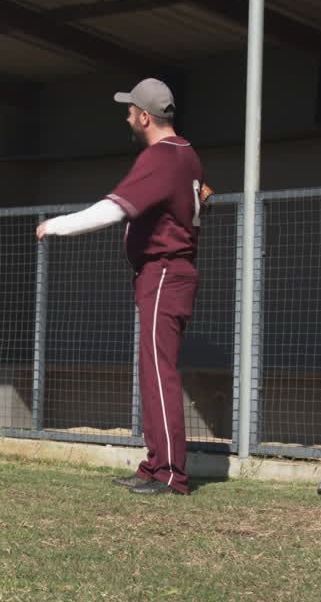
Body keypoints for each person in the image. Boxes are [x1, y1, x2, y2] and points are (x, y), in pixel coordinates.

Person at [36, 79, 207, 495]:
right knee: (152, 371)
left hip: (164, 272)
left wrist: (55, 225)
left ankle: (170, 474)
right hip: (167, 273)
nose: (127, 115)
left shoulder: (161, 157)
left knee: (159, 373)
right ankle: (155, 465)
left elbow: (112, 210)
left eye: (131, 110)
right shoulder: (186, 153)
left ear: (146, 117)